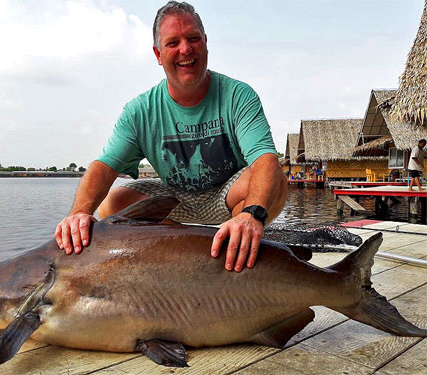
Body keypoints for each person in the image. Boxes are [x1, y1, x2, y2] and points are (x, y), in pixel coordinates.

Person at [55, 1, 287, 273]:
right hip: (176, 200)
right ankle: (183, 251)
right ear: (158, 53)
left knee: (274, 179)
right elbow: (104, 167)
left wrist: (252, 214)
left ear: (205, 42)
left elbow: (264, 159)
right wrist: (78, 214)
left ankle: (238, 247)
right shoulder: (140, 111)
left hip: (227, 198)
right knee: (112, 204)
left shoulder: (238, 95)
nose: (185, 49)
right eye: (173, 43)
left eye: (193, 38)